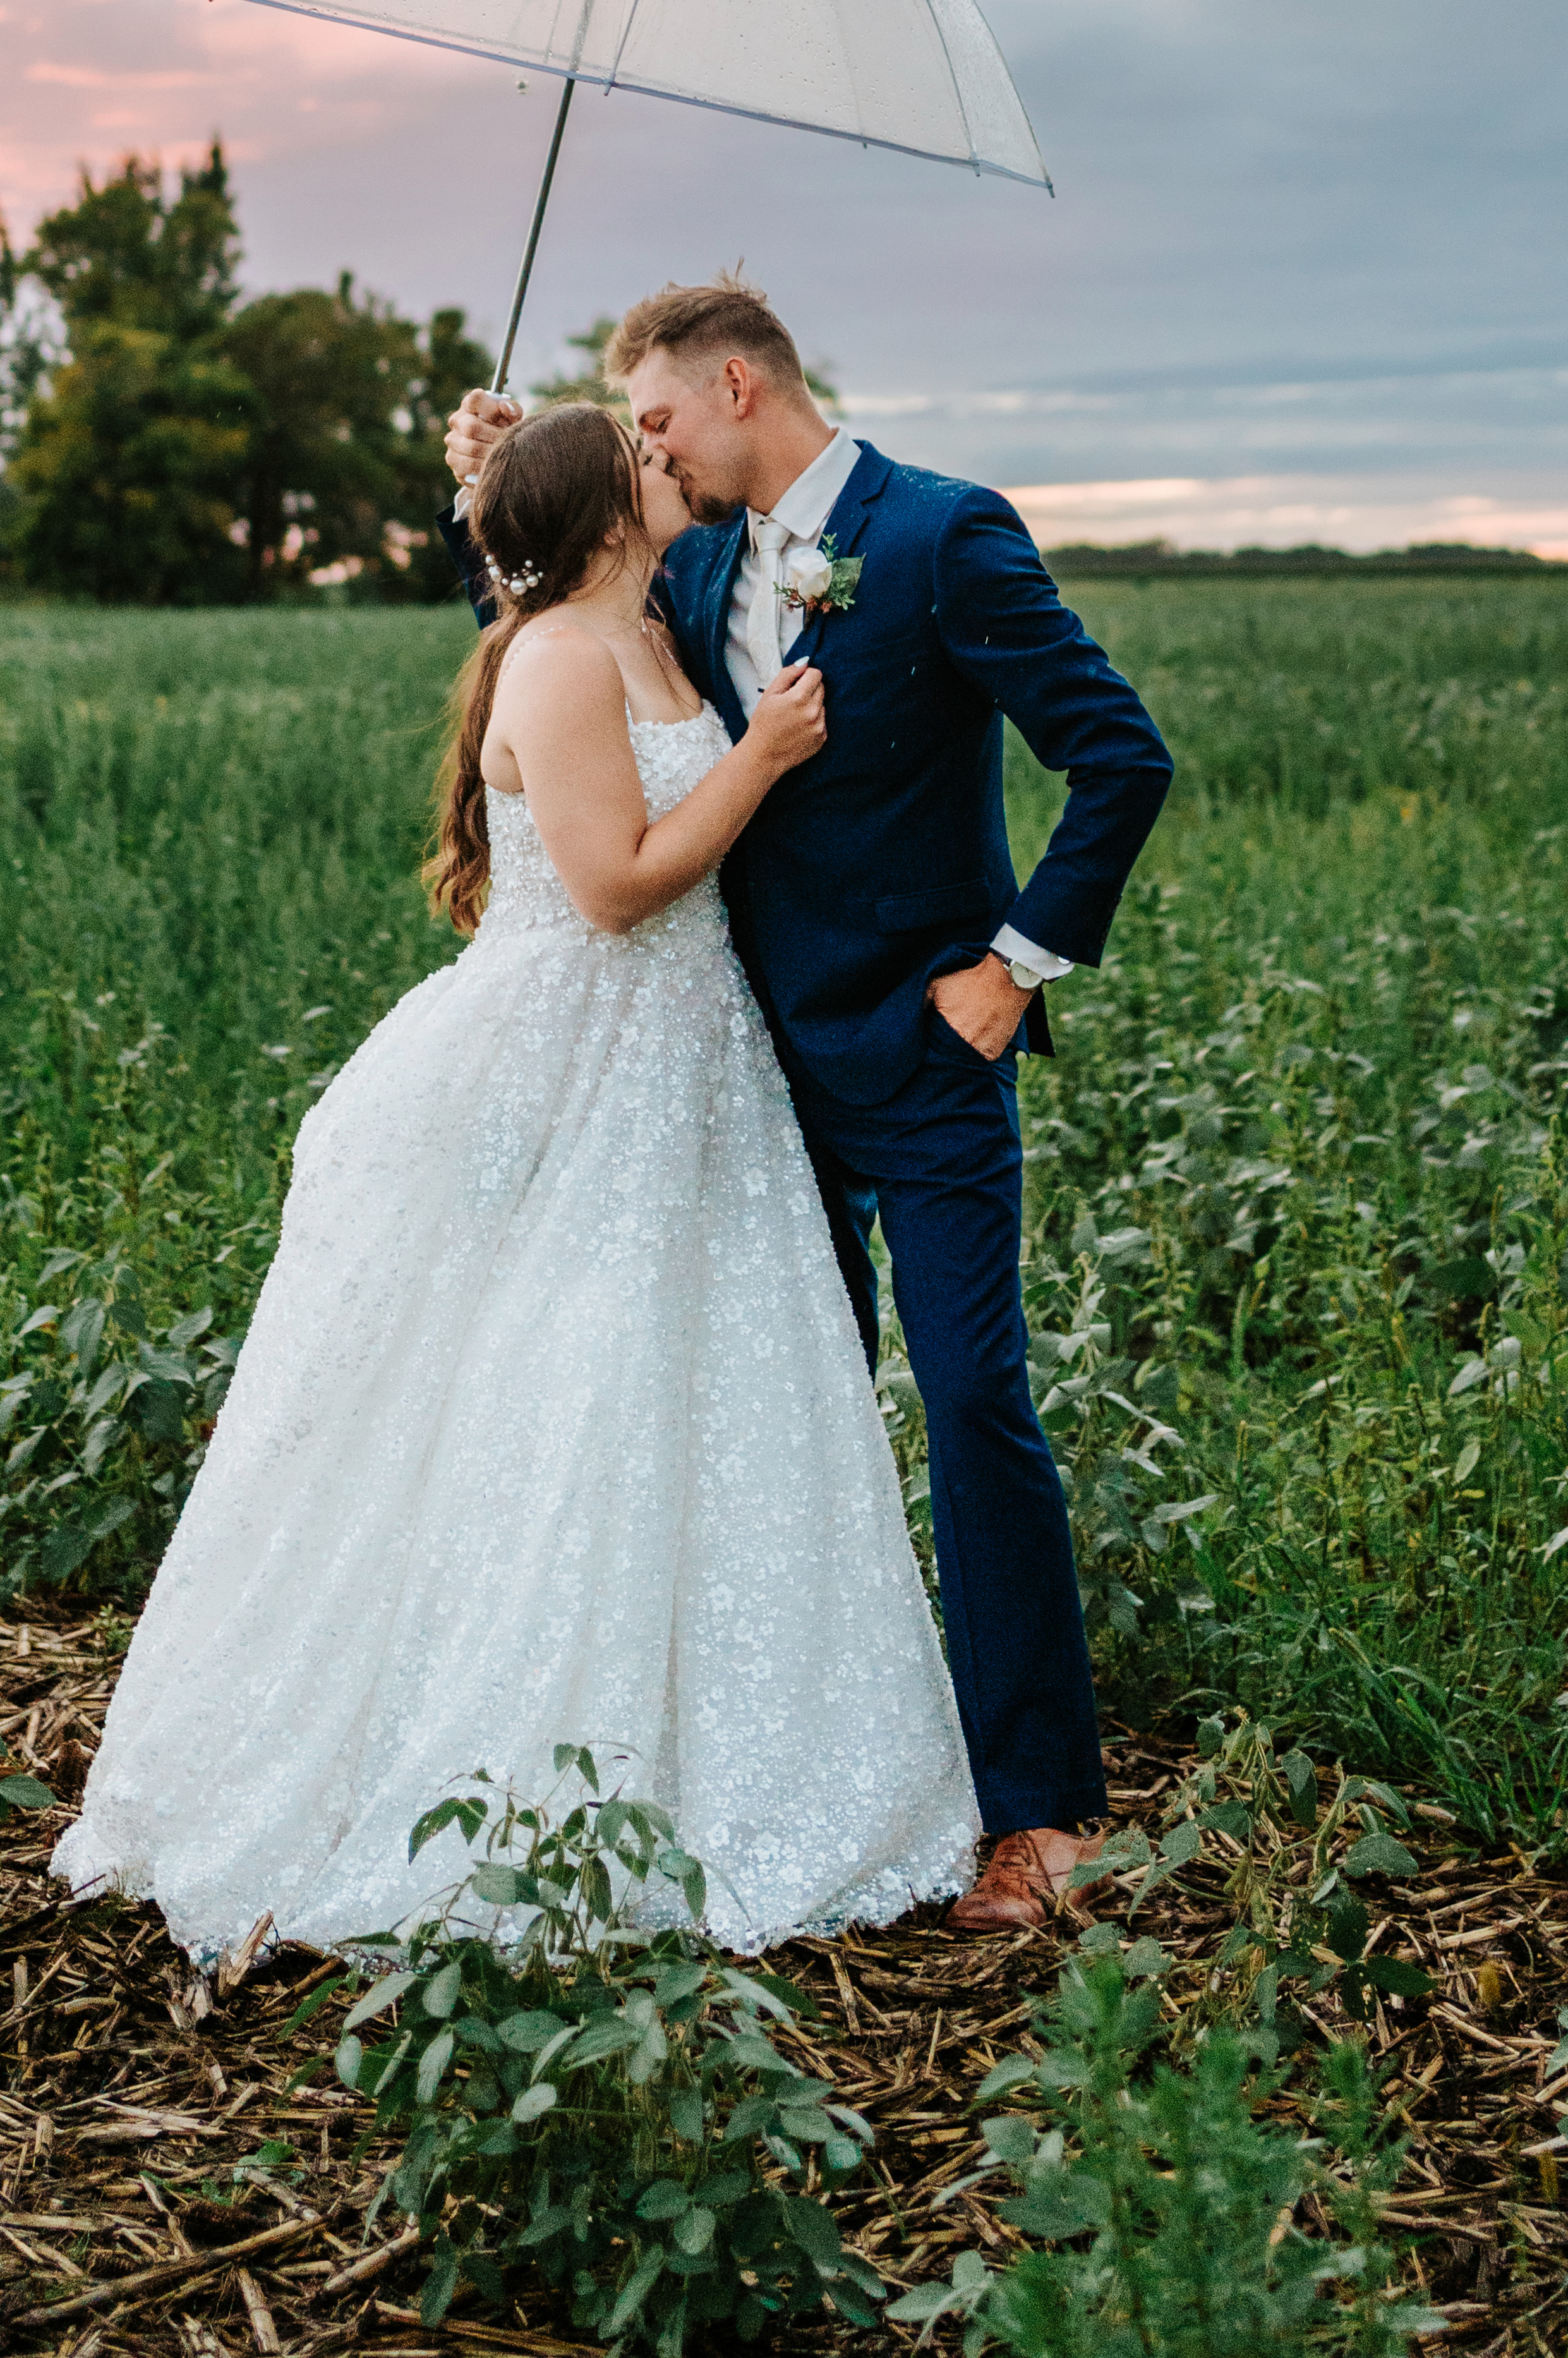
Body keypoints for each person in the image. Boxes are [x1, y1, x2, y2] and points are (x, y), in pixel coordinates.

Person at [52, 401, 979, 1957]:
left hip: (686, 1064)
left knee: (685, 1392)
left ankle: (704, 1744)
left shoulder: (655, 625)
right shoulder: (556, 656)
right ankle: (504, 1769)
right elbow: (614, 887)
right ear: (611, 514)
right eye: (639, 452)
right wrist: (756, 761)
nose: (665, 458)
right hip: (573, 1054)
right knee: (553, 1392)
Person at [445, 278, 1173, 1934]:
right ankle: (812, 1767)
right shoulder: (688, 561)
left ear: (733, 384)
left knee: (976, 1400)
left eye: (653, 420)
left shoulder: (938, 537)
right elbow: (554, 655)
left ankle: (1039, 1813)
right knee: (797, 1423)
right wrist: (482, 499)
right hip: (750, 1071)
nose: (648, 449)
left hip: (925, 1059)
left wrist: (1014, 969)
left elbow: (1120, 757)